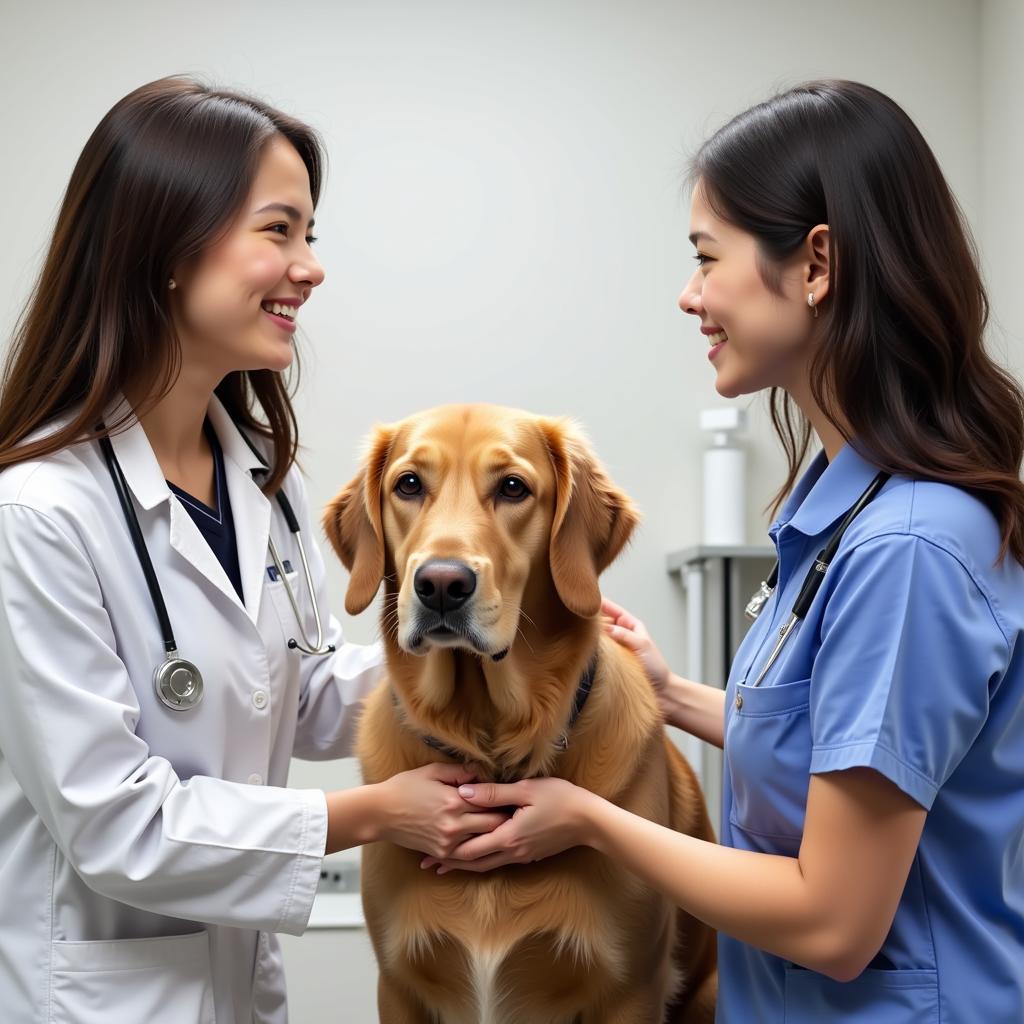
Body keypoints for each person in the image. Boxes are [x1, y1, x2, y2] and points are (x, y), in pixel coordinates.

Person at [423, 80, 1024, 1022]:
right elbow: (841, 751)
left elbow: (832, 921)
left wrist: (588, 819)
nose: (691, 294)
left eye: (709, 258)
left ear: (816, 262)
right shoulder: (845, 518)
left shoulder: (909, 550)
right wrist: (668, 697)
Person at [0, 76, 506, 1024]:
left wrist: (487, 640)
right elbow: (117, 827)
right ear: (165, 249)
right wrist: (376, 813)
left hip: (236, 991)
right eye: (279, 231)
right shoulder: (36, 515)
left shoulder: (261, 481)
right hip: (92, 1000)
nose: (309, 267)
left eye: (309, 235)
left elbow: (297, 695)